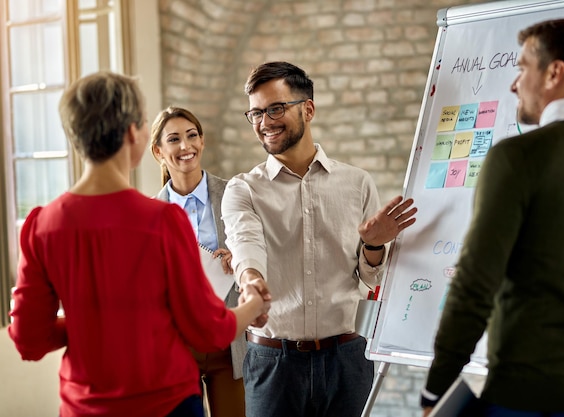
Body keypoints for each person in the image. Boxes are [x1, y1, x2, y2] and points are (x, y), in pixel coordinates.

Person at [7, 71, 270, 417]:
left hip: (84, 407)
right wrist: (252, 305)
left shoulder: (40, 226)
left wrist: (95, 322)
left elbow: (28, 339)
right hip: (166, 403)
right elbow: (207, 330)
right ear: (134, 133)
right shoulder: (162, 221)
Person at [421, 18, 564, 417]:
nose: (515, 84)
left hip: (528, 397)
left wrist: (436, 392)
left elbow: (474, 283)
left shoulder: (517, 157)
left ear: (554, 73)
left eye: (522, 68)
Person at [221, 61, 418, 417]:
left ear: (308, 109)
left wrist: (374, 245)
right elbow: (245, 244)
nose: (265, 123)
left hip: (346, 361)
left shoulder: (357, 183)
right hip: (272, 363)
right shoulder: (243, 189)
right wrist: (251, 282)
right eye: (255, 114)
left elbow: (370, 279)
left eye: (276, 108)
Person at [151, 106, 246, 417]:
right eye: (174, 139)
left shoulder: (235, 194)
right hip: (177, 346)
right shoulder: (150, 215)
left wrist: (241, 256)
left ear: (202, 142)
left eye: (192, 136)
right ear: (159, 151)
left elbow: (265, 250)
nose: (185, 146)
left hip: (229, 343)